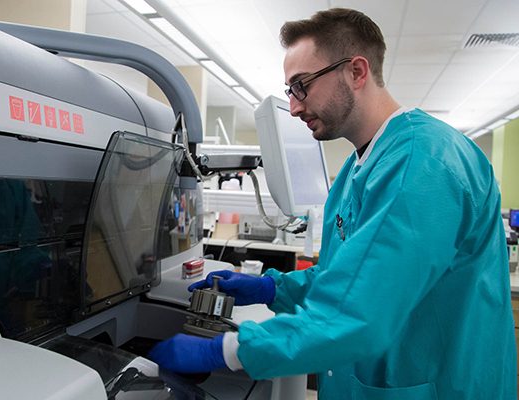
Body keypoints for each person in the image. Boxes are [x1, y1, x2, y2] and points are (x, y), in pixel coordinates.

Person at [149, 8, 517, 399]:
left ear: (356, 72)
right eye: (290, 90)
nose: (294, 106)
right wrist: (272, 289)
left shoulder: (422, 163)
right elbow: (347, 278)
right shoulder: (359, 167)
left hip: (436, 385)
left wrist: (224, 350)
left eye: (301, 85)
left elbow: (358, 314)